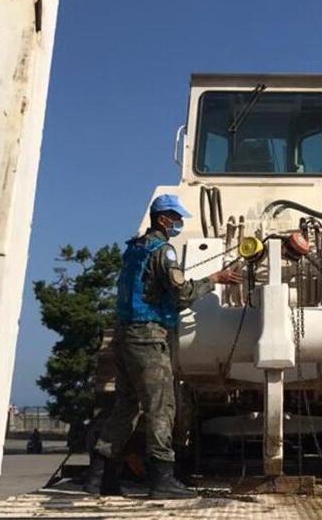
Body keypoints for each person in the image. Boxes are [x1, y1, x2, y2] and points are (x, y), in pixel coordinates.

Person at [85, 194, 242, 498]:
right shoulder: (163, 251)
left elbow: (149, 290)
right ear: (163, 219)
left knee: (126, 407)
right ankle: (161, 479)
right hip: (148, 337)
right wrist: (214, 279)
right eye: (176, 218)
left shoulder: (134, 249)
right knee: (161, 406)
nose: (178, 224)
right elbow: (181, 293)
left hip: (125, 335)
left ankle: (99, 477)